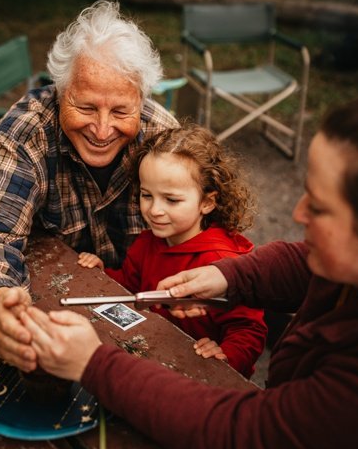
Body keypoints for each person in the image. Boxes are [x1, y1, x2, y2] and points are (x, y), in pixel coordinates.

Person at [20, 96, 358, 449]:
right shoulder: (357, 268)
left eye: (319, 208)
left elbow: (246, 434)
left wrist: (94, 364)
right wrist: (227, 277)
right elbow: (301, 263)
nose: (298, 213)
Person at [0, 0, 178, 374]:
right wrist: (0, 300)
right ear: (60, 90)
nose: (103, 130)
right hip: (55, 310)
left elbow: (211, 242)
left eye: (121, 112)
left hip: (150, 322)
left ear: (142, 100)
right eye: (87, 108)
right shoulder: (26, 133)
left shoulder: (164, 138)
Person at [77, 123, 267, 378]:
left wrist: (225, 354)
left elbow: (248, 329)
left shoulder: (223, 263)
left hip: (202, 379)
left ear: (207, 202)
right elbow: (130, 286)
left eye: (172, 199)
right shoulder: (147, 242)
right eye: (147, 195)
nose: (155, 210)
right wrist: (103, 274)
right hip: (153, 361)